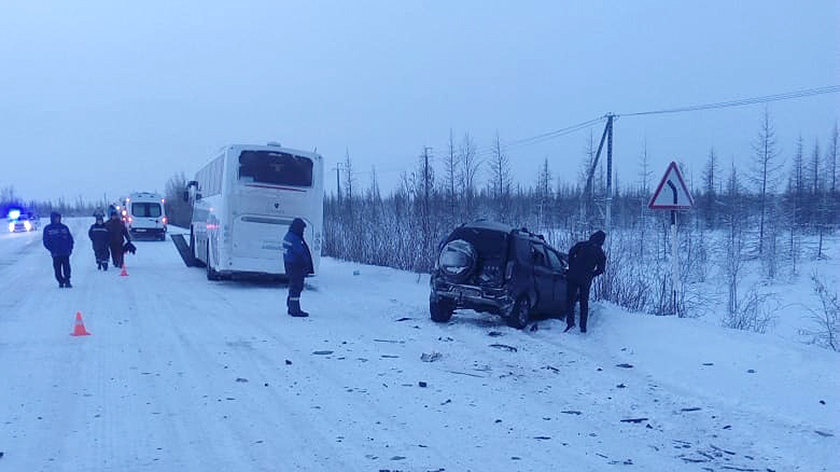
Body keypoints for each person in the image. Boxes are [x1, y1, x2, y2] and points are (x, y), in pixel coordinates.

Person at [565, 230, 607, 333]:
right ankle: (583, 327)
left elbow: (571, 252)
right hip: (585, 280)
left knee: (570, 300)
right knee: (584, 303)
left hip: (573, 276)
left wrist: (571, 266)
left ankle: (570, 323)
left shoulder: (582, 244)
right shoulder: (600, 253)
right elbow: (601, 270)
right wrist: (592, 274)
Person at [282, 218, 314, 317]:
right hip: (295, 266)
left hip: (290, 265)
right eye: (302, 229)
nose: (303, 231)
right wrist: (305, 263)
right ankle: (295, 310)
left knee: (293, 286)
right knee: (296, 287)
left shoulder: (289, 236)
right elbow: (300, 252)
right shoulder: (295, 238)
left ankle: (291, 307)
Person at [42, 211, 74, 288]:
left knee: (67, 268)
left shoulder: (64, 227)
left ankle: (67, 281)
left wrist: (70, 249)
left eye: (58, 218)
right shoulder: (47, 228)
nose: (57, 219)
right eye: (56, 218)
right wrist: (52, 250)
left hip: (65, 252)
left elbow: (70, 239)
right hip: (55, 253)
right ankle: (60, 281)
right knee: (57, 269)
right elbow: (46, 241)